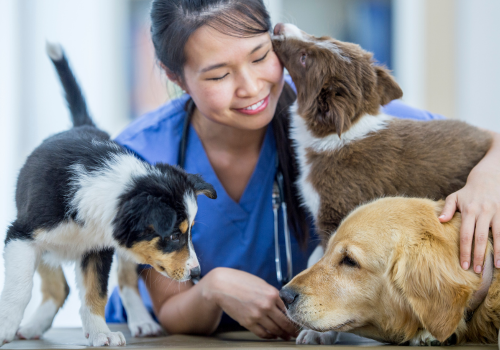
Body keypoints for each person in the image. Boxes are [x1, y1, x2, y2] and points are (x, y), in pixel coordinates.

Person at [106, 0, 500, 340]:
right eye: (219, 75)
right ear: (176, 77)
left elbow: (490, 143)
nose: (251, 87)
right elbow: (170, 310)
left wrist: (487, 180)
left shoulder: (341, 121)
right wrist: (212, 288)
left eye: (261, 57)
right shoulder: (141, 156)